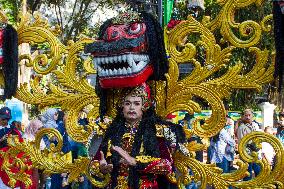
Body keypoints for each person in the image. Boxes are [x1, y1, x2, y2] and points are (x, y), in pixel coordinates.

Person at [92, 83, 186, 188]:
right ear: (122, 107)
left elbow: (167, 166)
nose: (132, 107)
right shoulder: (112, 132)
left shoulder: (155, 132)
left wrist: (135, 162)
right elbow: (95, 162)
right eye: (127, 103)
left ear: (144, 106)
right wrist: (101, 168)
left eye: (136, 104)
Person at [237, 109, 261, 181]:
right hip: (246, 153)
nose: (248, 117)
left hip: (255, 153)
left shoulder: (255, 125)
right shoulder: (241, 127)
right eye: (246, 115)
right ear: (243, 117)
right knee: (248, 174)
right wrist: (250, 146)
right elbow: (241, 142)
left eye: (249, 115)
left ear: (252, 116)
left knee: (258, 171)